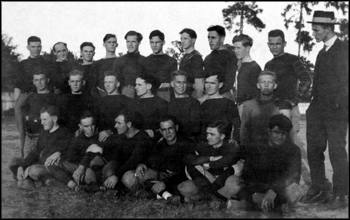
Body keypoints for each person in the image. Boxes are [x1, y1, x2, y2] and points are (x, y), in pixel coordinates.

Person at [303, 11, 348, 208]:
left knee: (337, 152)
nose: (314, 33)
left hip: (336, 112)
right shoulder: (322, 52)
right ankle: (319, 188)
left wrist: (339, 105)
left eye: (317, 30)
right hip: (317, 111)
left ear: (329, 28)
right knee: (314, 150)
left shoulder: (344, 49)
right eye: (313, 30)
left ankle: (341, 194)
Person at [122, 115, 196, 205]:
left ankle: (155, 194)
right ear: (160, 131)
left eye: (170, 128)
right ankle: (166, 195)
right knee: (128, 177)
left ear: (176, 128)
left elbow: (186, 172)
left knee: (187, 188)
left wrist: (165, 183)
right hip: (162, 176)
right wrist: (141, 164)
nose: (167, 132)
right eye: (164, 130)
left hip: (180, 179)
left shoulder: (187, 144)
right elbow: (150, 158)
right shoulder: (160, 143)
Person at [236, 114, 303, 213]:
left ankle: (268, 206)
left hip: (279, 190)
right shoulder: (256, 147)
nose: (279, 137)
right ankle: (274, 207)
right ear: (269, 131)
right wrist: (254, 192)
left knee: (296, 190)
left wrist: (274, 190)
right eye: (276, 132)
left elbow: (293, 176)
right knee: (237, 184)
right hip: (258, 188)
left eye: (283, 134)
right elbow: (247, 174)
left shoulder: (294, 150)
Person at [8, 105, 73, 190]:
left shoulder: (64, 133)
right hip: (39, 163)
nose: (42, 122)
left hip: (51, 167)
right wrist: (22, 166)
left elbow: (66, 148)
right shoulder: (44, 133)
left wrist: (58, 152)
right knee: (13, 162)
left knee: (33, 170)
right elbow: (35, 152)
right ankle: (25, 177)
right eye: (41, 119)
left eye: (45, 119)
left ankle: (39, 180)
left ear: (54, 119)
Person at [181, 120, 242, 209]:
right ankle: (211, 195)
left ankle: (207, 194)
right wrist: (210, 158)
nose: (208, 137)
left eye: (212, 134)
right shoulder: (203, 145)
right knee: (191, 166)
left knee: (234, 168)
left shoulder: (231, 145)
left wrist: (209, 165)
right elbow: (187, 158)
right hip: (206, 179)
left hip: (224, 180)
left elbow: (229, 160)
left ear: (222, 136)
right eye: (207, 133)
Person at [264, 29, 312, 143]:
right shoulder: (268, 65)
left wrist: (296, 99)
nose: (274, 47)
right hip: (273, 108)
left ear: (284, 44)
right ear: (268, 44)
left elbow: (306, 80)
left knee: (291, 144)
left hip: (290, 109)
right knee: (273, 145)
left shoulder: (293, 60)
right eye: (271, 44)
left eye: (278, 44)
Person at [14, 36, 55, 158]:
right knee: (24, 126)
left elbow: (51, 82)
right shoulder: (23, 64)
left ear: (41, 47)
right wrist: (18, 103)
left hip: (42, 97)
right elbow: (18, 85)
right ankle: (22, 149)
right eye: (33, 47)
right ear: (28, 47)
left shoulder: (47, 63)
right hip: (26, 97)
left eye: (38, 47)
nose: (36, 49)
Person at [100, 109, 154, 191]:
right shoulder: (122, 135)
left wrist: (116, 176)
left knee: (128, 178)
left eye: (119, 123)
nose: (115, 126)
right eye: (116, 122)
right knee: (108, 169)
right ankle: (116, 190)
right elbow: (116, 156)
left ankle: (123, 190)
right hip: (126, 167)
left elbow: (133, 160)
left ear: (129, 124)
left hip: (139, 168)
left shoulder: (143, 138)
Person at [240, 70, 292, 147]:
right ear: (258, 85)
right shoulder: (249, 105)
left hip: (275, 149)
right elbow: (244, 131)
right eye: (263, 82)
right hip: (255, 149)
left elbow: (288, 131)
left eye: (270, 82)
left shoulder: (282, 105)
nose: (266, 85)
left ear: (275, 86)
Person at [57, 110, 106, 188]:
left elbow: (97, 156)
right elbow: (70, 156)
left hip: (95, 167)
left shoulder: (100, 137)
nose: (90, 129)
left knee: (91, 170)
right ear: (80, 126)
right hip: (80, 166)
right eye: (86, 126)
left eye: (92, 125)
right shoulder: (78, 138)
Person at [21, 67, 58, 157]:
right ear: (33, 82)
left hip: (46, 137)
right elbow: (24, 110)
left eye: (42, 79)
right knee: (27, 162)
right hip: (31, 137)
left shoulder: (54, 97)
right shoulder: (30, 97)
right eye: (36, 80)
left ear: (47, 80)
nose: (39, 83)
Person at [199, 71, 240, 143]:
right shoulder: (202, 104)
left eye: (212, 83)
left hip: (224, 144)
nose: (208, 86)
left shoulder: (228, 104)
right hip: (205, 145)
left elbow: (236, 125)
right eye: (206, 82)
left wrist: (234, 140)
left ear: (220, 85)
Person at [56, 69, 96, 134]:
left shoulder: (91, 100)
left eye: (78, 81)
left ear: (83, 82)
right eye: (72, 81)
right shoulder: (62, 100)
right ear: (69, 83)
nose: (75, 84)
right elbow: (60, 121)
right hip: (67, 134)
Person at [128, 73, 168, 139]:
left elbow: (165, 124)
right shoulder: (132, 103)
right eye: (136, 84)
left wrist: (154, 132)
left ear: (149, 86)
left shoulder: (160, 102)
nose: (135, 87)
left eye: (139, 85)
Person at [203, 25, 238, 101]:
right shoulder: (208, 58)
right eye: (208, 38)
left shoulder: (230, 56)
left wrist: (214, 95)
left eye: (213, 38)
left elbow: (229, 82)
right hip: (208, 96)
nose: (210, 41)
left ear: (222, 39)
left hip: (224, 96)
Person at [95, 71, 132, 142]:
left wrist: (110, 131)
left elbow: (126, 122)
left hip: (120, 137)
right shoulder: (99, 101)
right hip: (101, 137)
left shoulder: (126, 101)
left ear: (117, 84)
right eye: (105, 82)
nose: (107, 85)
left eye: (110, 82)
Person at [143, 30, 178, 102]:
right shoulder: (145, 61)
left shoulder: (171, 61)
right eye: (152, 42)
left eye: (157, 42)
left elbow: (174, 82)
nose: (154, 45)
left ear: (163, 42)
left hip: (164, 95)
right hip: (148, 95)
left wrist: (169, 84)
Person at [232, 34, 261, 117]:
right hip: (240, 105)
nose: (235, 51)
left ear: (248, 48)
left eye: (238, 48)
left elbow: (258, 92)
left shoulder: (254, 67)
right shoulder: (240, 65)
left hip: (249, 107)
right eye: (234, 48)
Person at [168, 70, 201, 140]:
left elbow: (195, 128)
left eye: (184, 82)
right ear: (172, 84)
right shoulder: (167, 102)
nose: (182, 86)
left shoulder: (194, 102)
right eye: (178, 82)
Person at [113, 30, 145, 99]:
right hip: (123, 98)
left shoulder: (145, 61)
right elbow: (115, 83)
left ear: (139, 43)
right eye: (128, 41)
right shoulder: (119, 61)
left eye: (133, 42)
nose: (130, 44)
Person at [178, 28, 205, 99]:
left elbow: (199, 82)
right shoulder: (185, 57)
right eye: (181, 39)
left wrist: (198, 100)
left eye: (185, 39)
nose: (182, 41)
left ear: (193, 40)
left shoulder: (195, 57)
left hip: (192, 97)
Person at [90, 34, 119, 98]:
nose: (112, 44)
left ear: (117, 45)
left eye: (114, 42)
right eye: (109, 42)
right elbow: (93, 86)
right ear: (104, 45)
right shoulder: (97, 64)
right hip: (102, 97)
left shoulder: (122, 61)